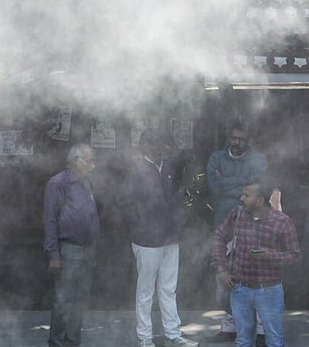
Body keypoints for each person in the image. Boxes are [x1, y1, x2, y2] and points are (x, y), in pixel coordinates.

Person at [118, 130, 198, 347]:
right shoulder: (136, 171)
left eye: (163, 145)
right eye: (157, 145)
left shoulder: (168, 169)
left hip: (170, 238)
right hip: (147, 241)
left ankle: (173, 334)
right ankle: (144, 338)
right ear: (146, 147)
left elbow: (177, 200)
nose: (163, 149)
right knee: (146, 291)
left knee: (168, 288)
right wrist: (141, 225)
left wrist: (178, 224)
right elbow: (124, 204)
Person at [211, 180, 300, 347]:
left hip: (269, 290)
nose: (241, 198)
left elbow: (294, 256)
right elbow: (219, 237)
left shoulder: (282, 221)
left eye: (247, 195)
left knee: (274, 341)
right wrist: (221, 268)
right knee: (243, 341)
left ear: (260, 200)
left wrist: (270, 256)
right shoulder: (237, 215)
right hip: (240, 289)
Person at [206, 122, 268, 343]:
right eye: (234, 138)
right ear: (228, 137)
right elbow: (213, 186)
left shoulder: (258, 159)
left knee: (257, 276)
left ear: (248, 140)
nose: (237, 142)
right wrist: (242, 184)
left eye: (241, 139)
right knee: (224, 277)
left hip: (252, 226)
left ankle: (261, 330)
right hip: (224, 224)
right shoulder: (216, 158)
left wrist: (226, 184)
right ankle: (229, 327)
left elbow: (257, 187)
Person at [43, 143, 99, 347]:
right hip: (68, 249)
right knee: (63, 301)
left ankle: (73, 341)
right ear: (75, 160)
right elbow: (50, 220)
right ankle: (57, 343)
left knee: (80, 300)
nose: (93, 166)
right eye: (89, 161)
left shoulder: (85, 183)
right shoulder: (58, 183)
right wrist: (54, 255)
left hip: (87, 250)